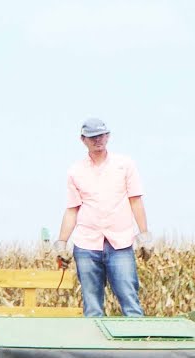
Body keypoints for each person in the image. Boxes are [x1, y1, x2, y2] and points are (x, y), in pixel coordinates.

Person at [54, 117, 151, 317]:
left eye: (101, 136)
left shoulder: (124, 165)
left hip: (120, 242)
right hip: (86, 244)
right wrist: (61, 243)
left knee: (129, 297)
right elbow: (72, 209)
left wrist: (144, 235)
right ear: (83, 140)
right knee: (92, 305)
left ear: (108, 136)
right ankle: (94, 346)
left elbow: (135, 200)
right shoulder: (75, 171)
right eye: (92, 137)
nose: (98, 140)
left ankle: (139, 345)